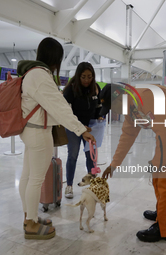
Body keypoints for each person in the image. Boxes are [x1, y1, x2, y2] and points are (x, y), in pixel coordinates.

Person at [100, 83, 166, 243]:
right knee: (159, 175)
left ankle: (164, 230)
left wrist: (158, 162)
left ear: (120, 97)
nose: (114, 112)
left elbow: (165, 132)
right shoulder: (130, 109)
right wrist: (114, 164)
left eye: (112, 106)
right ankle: (165, 214)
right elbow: (127, 135)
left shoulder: (146, 97)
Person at [16, 37, 95, 240]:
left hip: (29, 129)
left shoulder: (29, 73)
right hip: (38, 132)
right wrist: (80, 130)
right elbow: (59, 108)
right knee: (35, 179)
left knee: (27, 175)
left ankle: (29, 217)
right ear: (56, 58)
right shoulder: (41, 75)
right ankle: (31, 224)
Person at [62, 62, 103, 198]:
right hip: (73, 128)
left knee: (91, 157)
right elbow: (66, 112)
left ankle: (93, 185)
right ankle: (69, 186)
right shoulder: (71, 89)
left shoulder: (95, 88)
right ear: (78, 76)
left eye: (89, 77)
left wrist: (100, 117)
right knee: (72, 155)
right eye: (83, 77)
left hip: (90, 128)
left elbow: (98, 106)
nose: (86, 80)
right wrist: (80, 127)